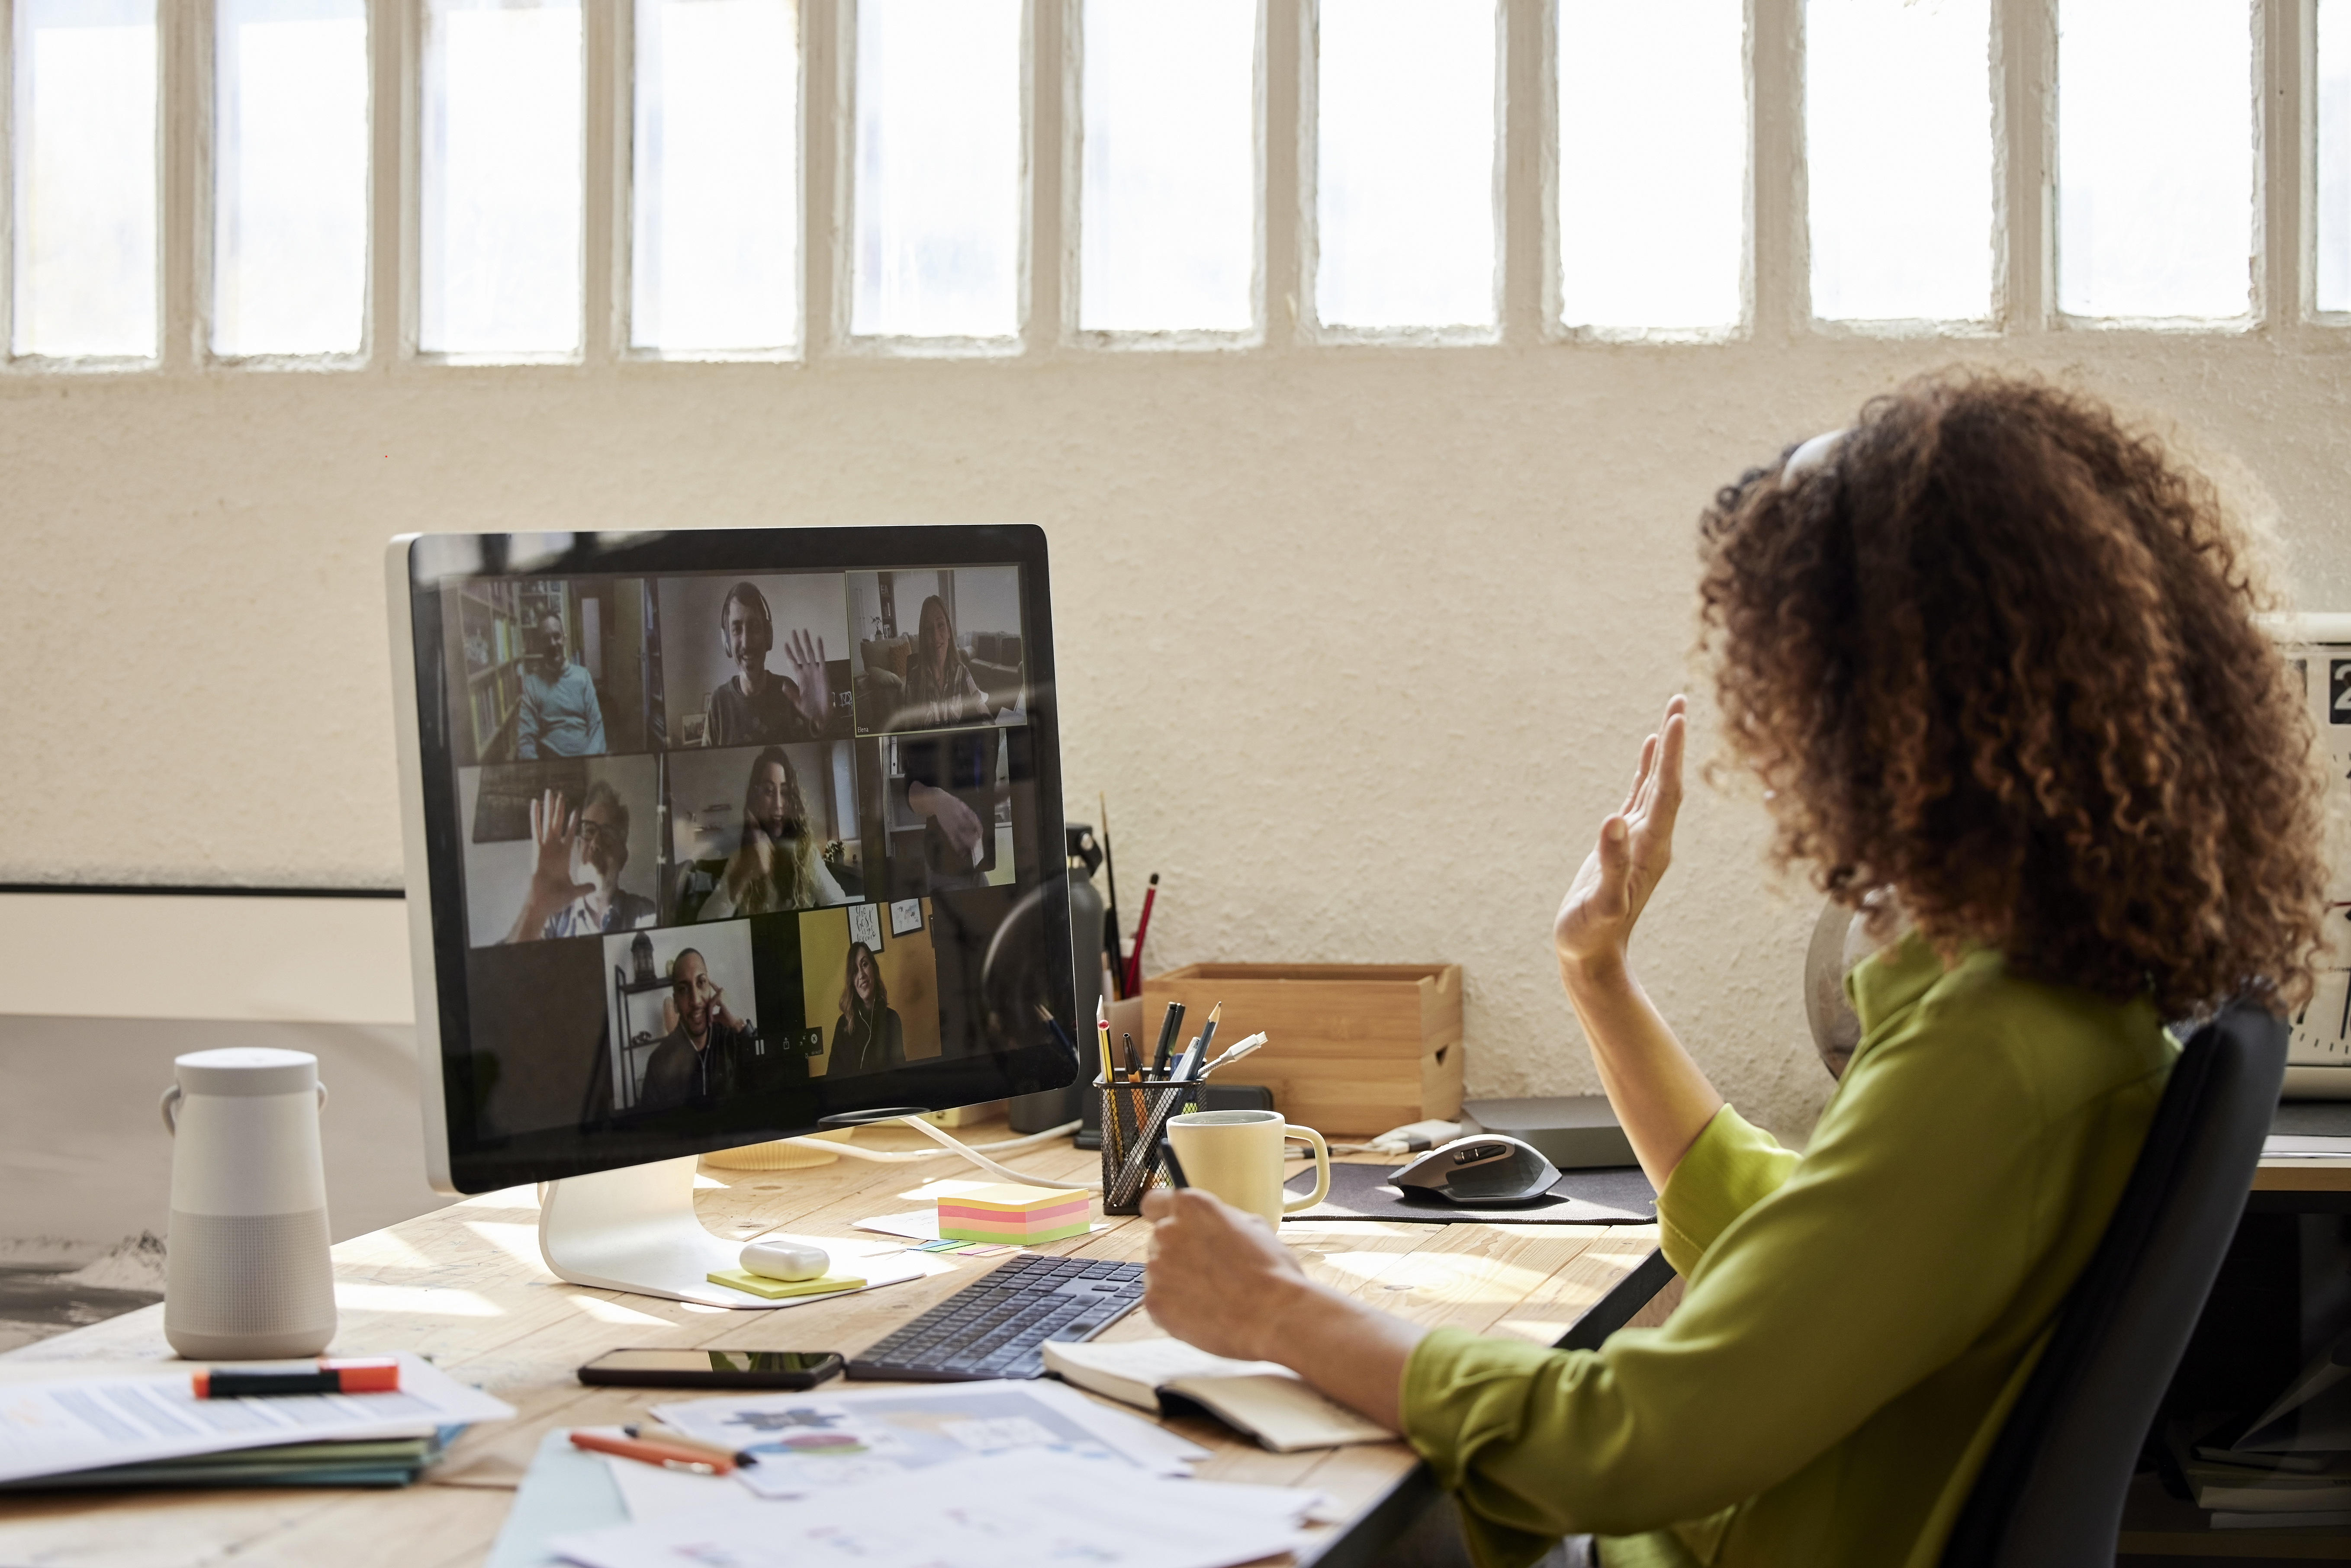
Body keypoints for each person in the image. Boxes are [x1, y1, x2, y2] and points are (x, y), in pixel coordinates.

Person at [1136, 373, 2332, 1568]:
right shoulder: (2060, 1005)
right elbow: (1822, 1263)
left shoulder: (1996, 1053)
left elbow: (1636, 1440)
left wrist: (1277, 1311)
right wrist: (1598, 978)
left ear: (1887, 712)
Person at [698, 745, 848, 919]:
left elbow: (840, 904)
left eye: (784, 792)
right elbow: (704, 921)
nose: (778, 804)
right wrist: (743, 873)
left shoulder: (806, 855)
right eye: (769, 791)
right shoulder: (739, 860)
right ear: (756, 797)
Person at [502, 782, 657, 942]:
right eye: (589, 831)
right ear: (578, 848)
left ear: (623, 858)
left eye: (608, 834)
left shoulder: (646, 915)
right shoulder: (553, 920)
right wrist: (536, 907)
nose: (596, 843)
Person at [704, 582, 835, 746]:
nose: (746, 643)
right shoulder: (718, 703)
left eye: (755, 627)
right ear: (727, 641)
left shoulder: (789, 693)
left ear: (768, 635)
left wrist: (822, 724)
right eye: (737, 629)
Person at [637, 948, 752, 1112]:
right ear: (676, 1002)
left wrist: (739, 1026)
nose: (696, 1000)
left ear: (711, 989)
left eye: (701, 983)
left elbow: (772, 1087)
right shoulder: (658, 1063)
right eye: (684, 990)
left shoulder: (732, 1040)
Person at [891, 595, 992, 731]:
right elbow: (909, 729)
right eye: (928, 629)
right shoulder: (914, 678)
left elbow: (979, 703)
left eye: (941, 625)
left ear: (949, 631)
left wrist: (988, 723)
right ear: (923, 637)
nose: (936, 636)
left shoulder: (962, 673)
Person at [516, 614, 606, 758]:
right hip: (551, 764)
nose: (552, 644)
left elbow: (597, 728)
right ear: (539, 645)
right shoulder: (532, 684)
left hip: (586, 759)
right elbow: (526, 739)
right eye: (546, 639)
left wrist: (589, 762)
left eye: (557, 637)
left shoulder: (583, 676)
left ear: (564, 639)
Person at [828, 941, 904, 1077]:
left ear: (874, 969)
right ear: (852, 981)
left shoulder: (893, 1019)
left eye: (864, 965)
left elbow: (899, 1076)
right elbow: (832, 1079)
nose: (861, 975)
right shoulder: (843, 1025)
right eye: (855, 971)